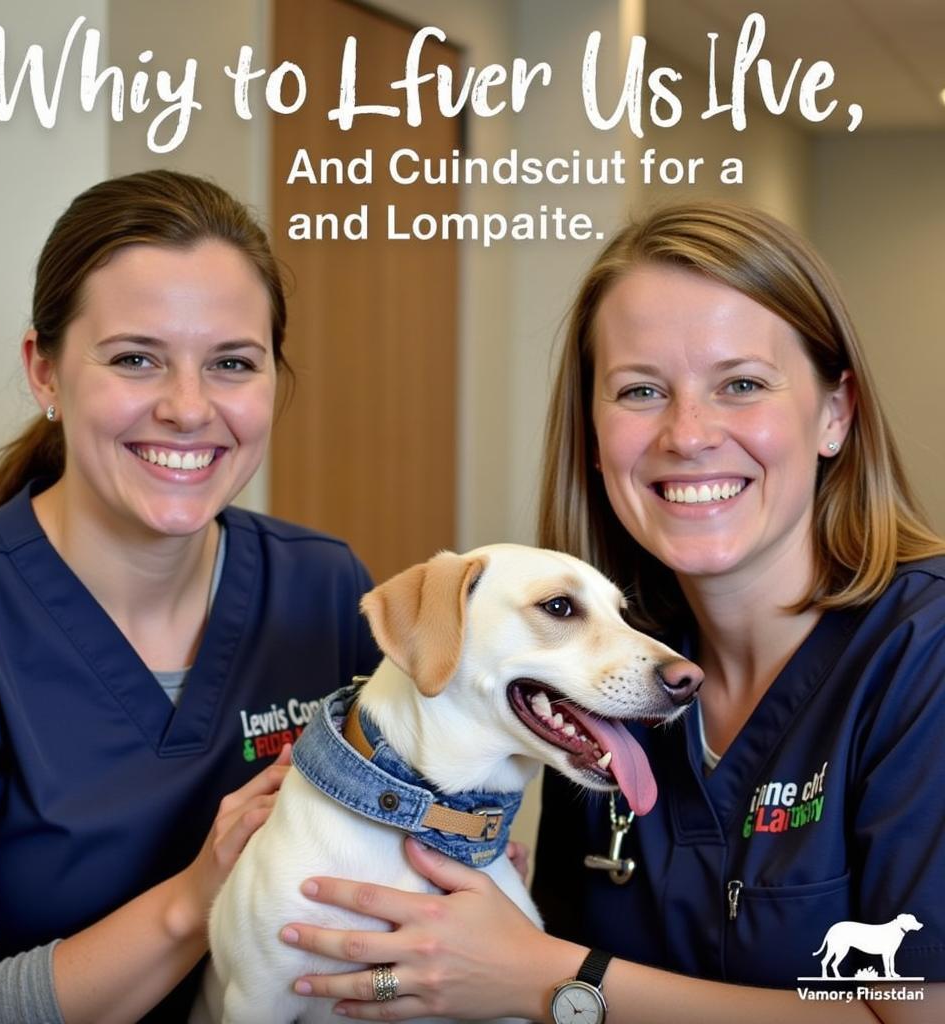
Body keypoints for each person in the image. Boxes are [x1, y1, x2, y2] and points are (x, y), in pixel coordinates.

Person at [278, 202, 945, 1022]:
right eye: (640, 390)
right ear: (594, 435)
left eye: (741, 384)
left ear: (835, 412)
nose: (689, 434)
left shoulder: (924, 653)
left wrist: (552, 976)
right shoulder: (592, 670)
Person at [0, 170, 380, 1023]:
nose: (186, 407)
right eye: (136, 358)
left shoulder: (326, 589)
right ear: (45, 371)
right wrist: (202, 891)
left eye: (232, 364)